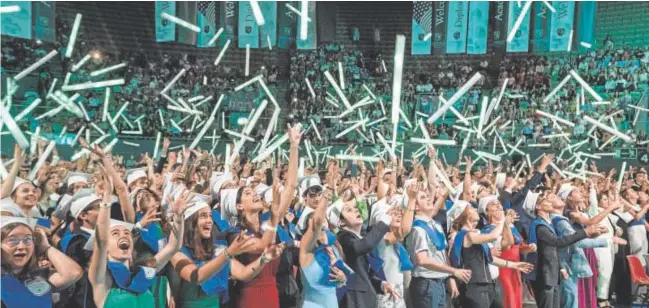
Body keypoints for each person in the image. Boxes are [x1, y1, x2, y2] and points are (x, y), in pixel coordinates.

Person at [87, 167, 187, 308]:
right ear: (106, 248)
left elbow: (173, 247)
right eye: (115, 233)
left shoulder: (143, 272)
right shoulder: (102, 280)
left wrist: (178, 218)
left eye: (127, 233)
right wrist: (107, 197)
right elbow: (101, 240)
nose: (124, 234)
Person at [169, 200, 282, 308]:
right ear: (190, 222)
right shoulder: (177, 252)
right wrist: (228, 254)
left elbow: (244, 273)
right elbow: (196, 276)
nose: (209, 220)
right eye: (203, 216)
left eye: (210, 216)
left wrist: (264, 258)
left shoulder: (217, 248)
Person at [448, 199, 533, 308]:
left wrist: (514, 265)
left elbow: (490, 258)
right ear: (463, 215)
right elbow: (492, 236)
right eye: (471, 208)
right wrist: (503, 220)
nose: (476, 210)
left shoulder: (476, 234)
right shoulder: (465, 235)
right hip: (474, 286)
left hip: (489, 284)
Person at [529, 191, 604, 308]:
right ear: (538, 207)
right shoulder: (540, 226)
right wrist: (584, 232)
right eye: (546, 200)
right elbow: (558, 243)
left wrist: (561, 268)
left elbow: (554, 249)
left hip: (552, 272)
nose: (549, 202)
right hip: (546, 274)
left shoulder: (547, 224)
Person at [1, 216, 83, 307]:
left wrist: (46, 247)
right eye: (12, 240)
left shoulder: (39, 276)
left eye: (27, 239)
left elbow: (73, 273)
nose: (22, 246)